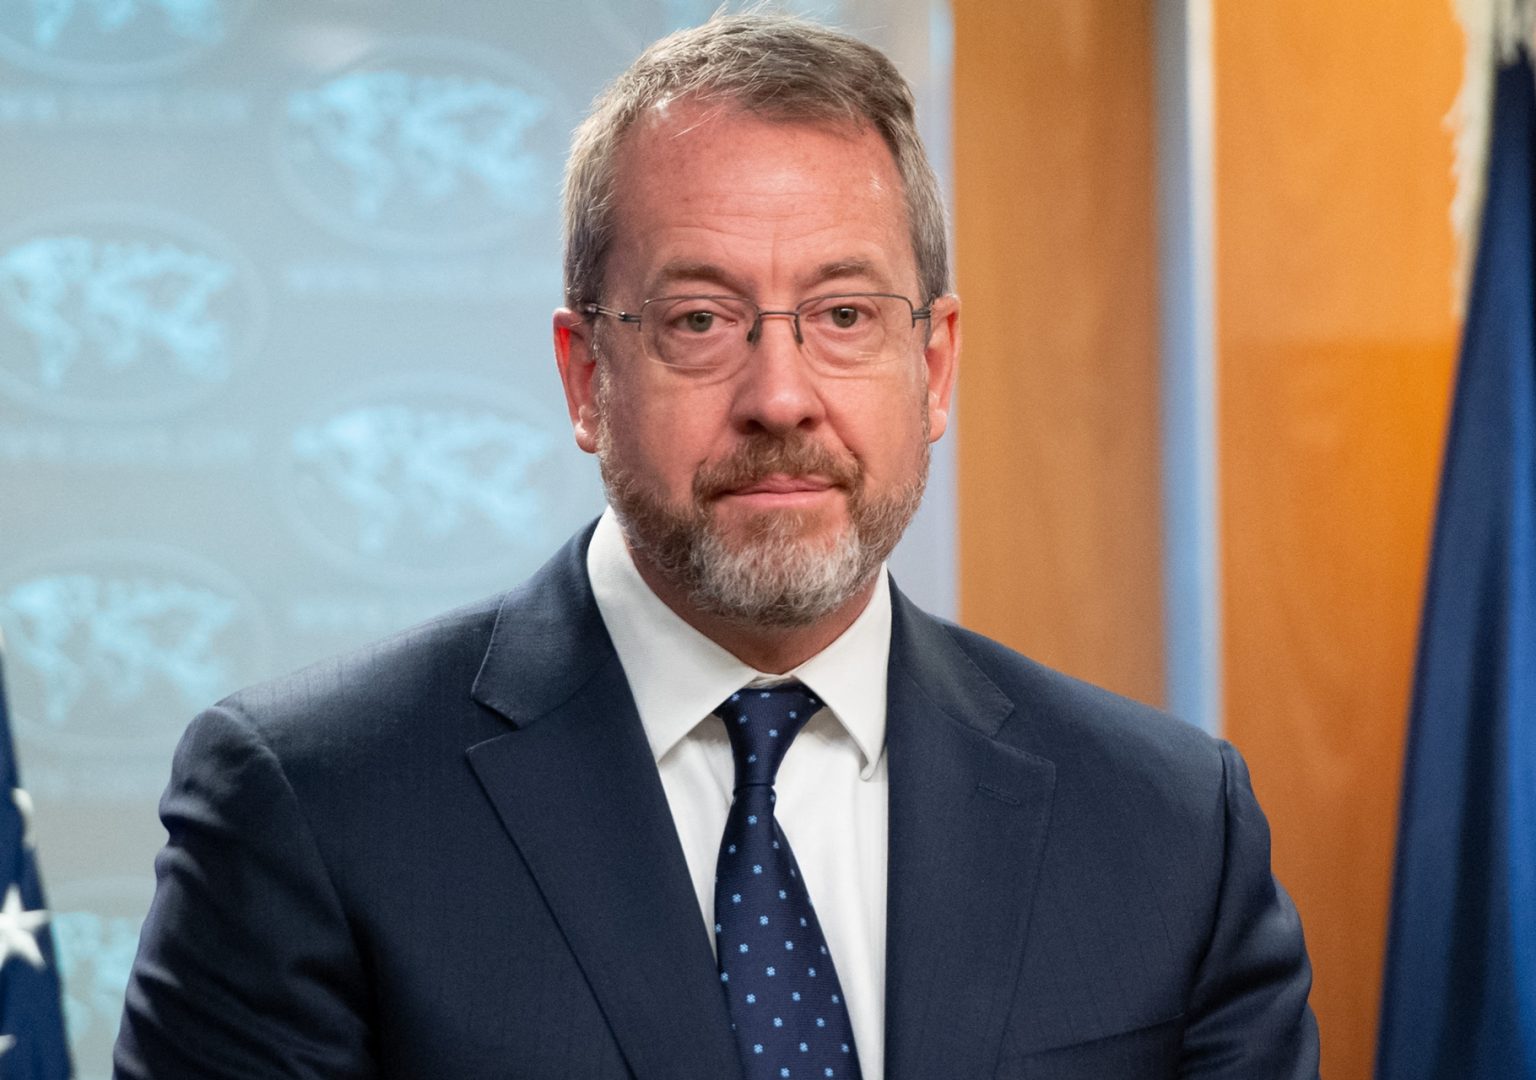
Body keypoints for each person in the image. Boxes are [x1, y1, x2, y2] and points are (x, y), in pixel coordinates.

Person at [113, 13, 1319, 1080]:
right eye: (700, 320)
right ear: (586, 377)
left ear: (935, 365)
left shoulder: (1172, 831)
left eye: (843, 315)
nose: (781, 396)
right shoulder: (313, 805)